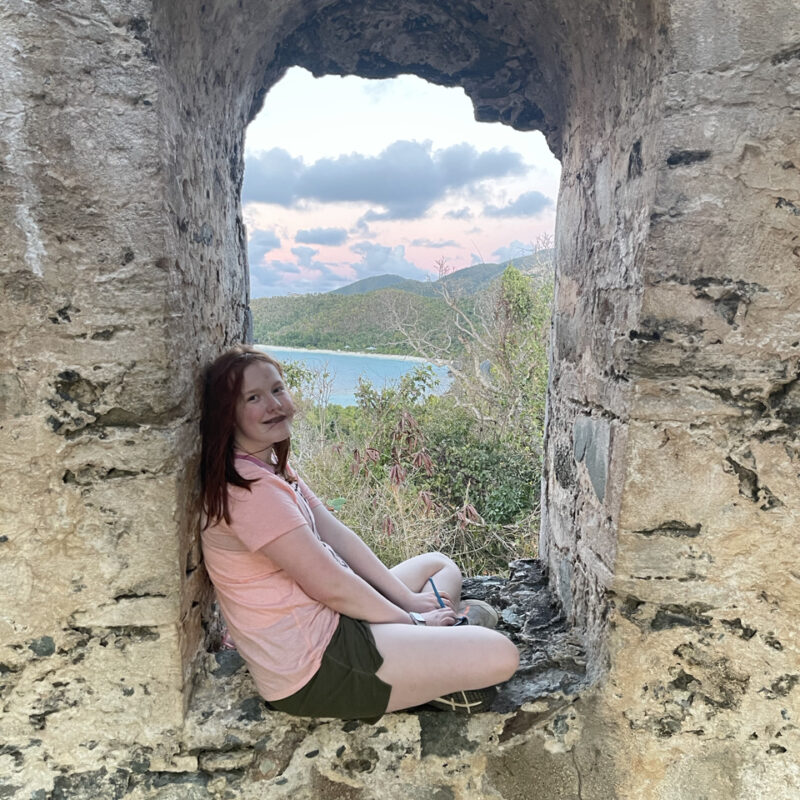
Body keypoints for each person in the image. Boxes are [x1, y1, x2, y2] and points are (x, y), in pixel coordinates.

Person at [200, 345, 519, 722]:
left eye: (277, 389)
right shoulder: (250, 492)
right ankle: (445, 648)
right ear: (228, 414)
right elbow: (329, 584)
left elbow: (337, 535)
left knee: (438, 565)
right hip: (317, 664)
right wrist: (413, 620)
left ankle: (442, 639)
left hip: (336, 620)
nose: (274, 404)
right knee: (501, 654)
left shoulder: (270, 465)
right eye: (254, 398)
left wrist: (407, 601)